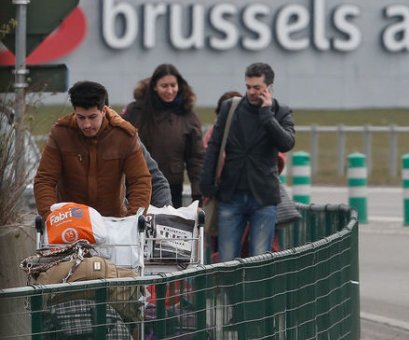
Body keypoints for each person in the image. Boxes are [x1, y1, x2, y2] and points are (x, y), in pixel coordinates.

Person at [201, 62, 295, 262]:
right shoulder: (231, 108)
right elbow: (215, 146)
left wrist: (267, 115)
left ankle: (255, 294)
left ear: (269, 87)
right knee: (227, 259)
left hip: (263, 197)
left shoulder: (280, 111)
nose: (252, 92)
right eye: (248, 87)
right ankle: (229, 294)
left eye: (257, 88)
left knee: (259, 258)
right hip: (231, 194)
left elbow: (286, 143)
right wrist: (207, 185)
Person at [34, 81, 152, 219]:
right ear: (74, 112)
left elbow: (140, 180)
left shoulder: (124, 136)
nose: (86, 124)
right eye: (81, 118)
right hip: (69, 221)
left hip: (111, 221)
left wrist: (133, 220)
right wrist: (51, 217)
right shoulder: (60, 134)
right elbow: (45, 180)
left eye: (92, 117)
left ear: (104, 110)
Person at [122, 63, 205, 208]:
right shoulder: (136, 111)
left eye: (173, 85)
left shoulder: (188, 116)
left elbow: (196, 159)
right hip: (136, 186)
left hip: (172, 186)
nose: (170, 90)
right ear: (154, 86)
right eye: (164, 86)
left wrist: (197, 194)